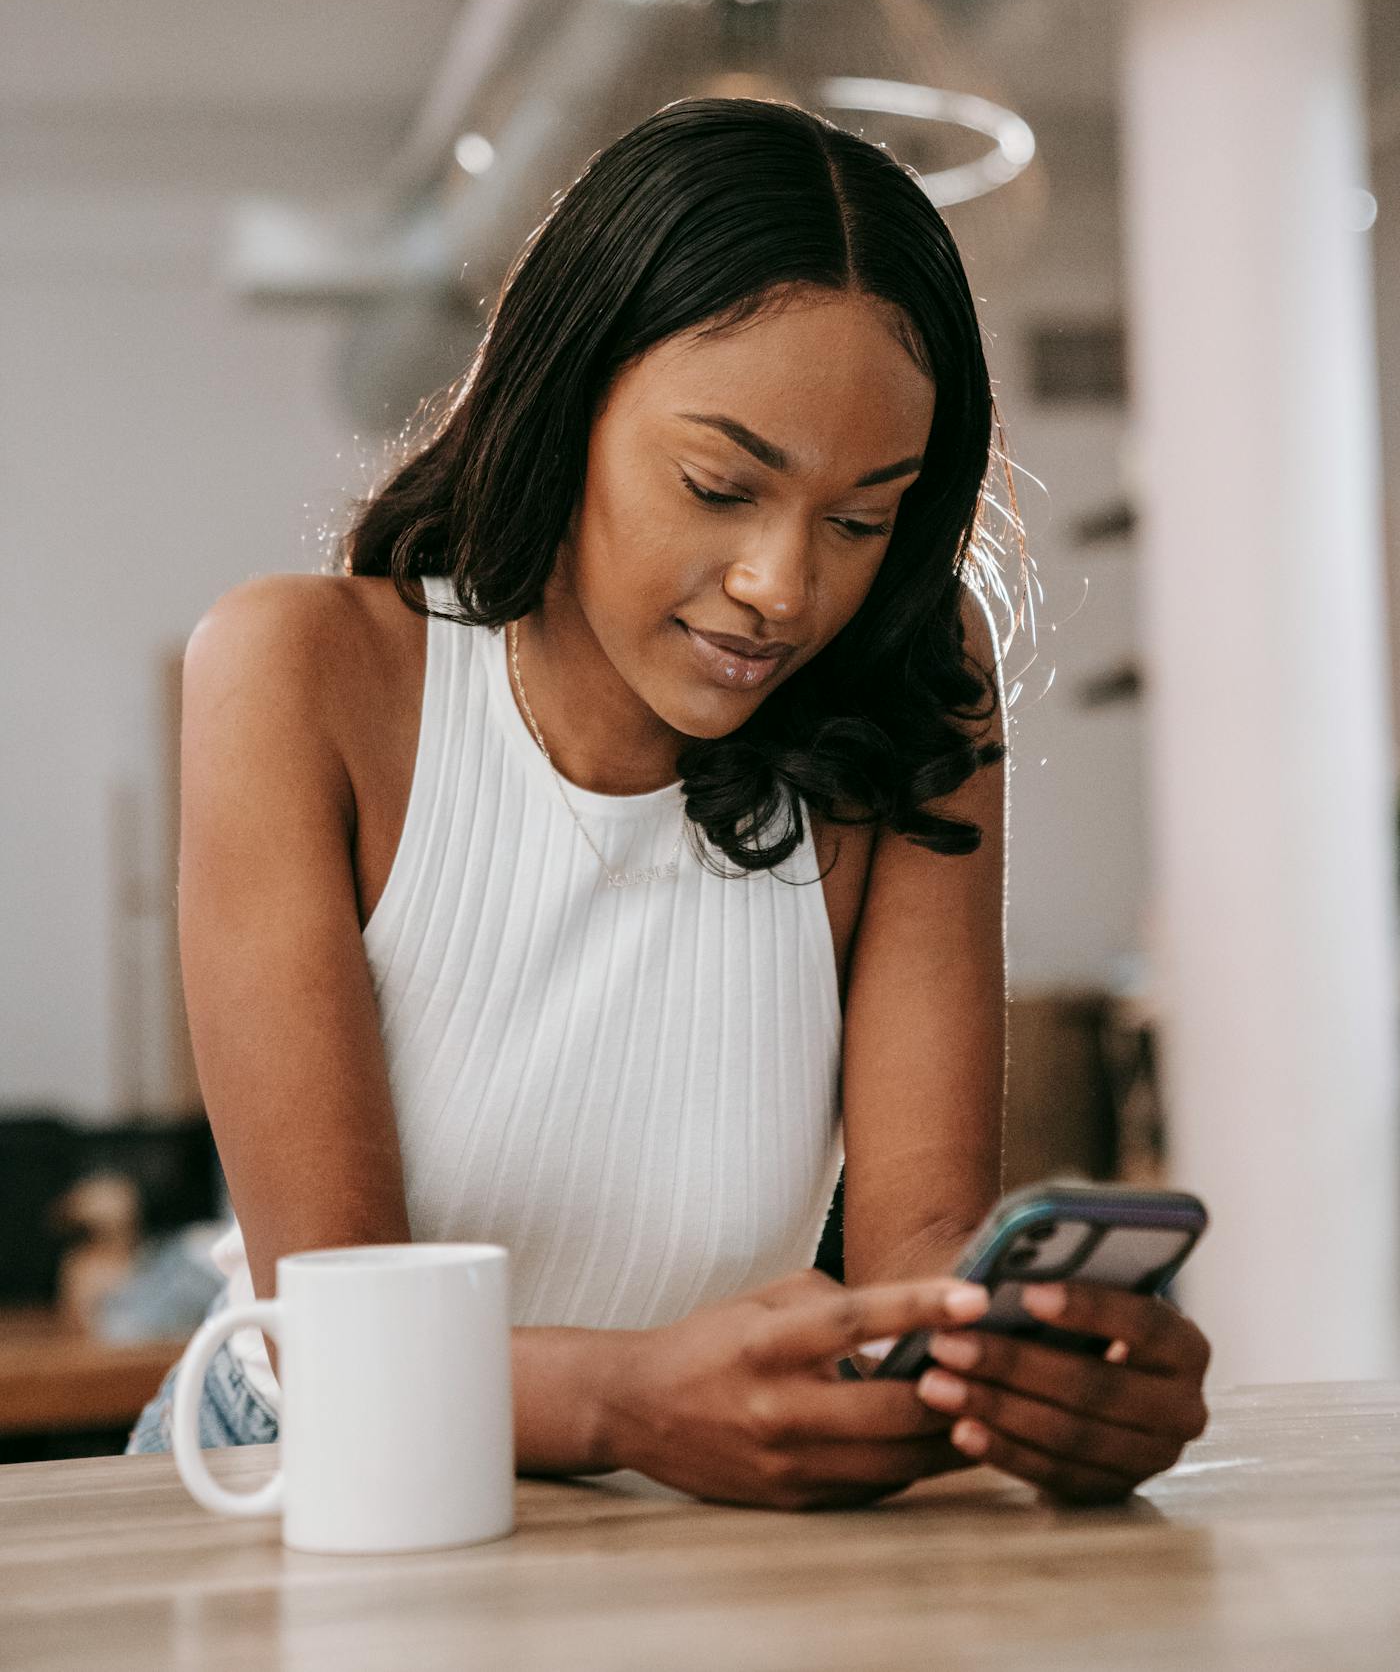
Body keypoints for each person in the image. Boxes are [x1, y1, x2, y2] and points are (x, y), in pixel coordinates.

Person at [127, 96, 1209, 1506]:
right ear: (565, 403)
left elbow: (920, 1252)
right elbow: (340, 1334)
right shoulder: (297, 672)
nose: (785, 587)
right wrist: (630, 1404)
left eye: (861, 519)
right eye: (720, 485)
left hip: (680, 1500)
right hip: (296, 1476)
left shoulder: (914, 691)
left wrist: (1034, 1377)